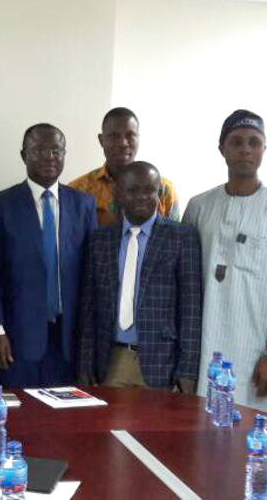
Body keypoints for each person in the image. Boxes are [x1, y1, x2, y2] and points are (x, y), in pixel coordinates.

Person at [182, 109, 267, 412]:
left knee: (245, 435)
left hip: (252, 352)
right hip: (200, 348)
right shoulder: (198, 207)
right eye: (236, 142)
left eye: (254, 142)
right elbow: (182, 280)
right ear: (222, 149)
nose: (245, 149)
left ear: (264, 149)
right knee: (194, 435)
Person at [0, 123, 97, 388]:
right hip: (17, 337)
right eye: (40, 150)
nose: (49, 157)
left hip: (70, 339)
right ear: (24, 155)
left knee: (65, 421)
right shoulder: (1, 204)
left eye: (56, 150)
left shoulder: (84, 204)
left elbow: (91, 275)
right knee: (23, 420)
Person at [78, 161, 202, 392]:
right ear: (119, 194)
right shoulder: (100, 240)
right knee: (108, 427)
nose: (142, 197)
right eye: (133, 190)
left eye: (149, 190)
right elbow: (89, 307)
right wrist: (85, 362)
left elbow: (191, 310)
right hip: (111, 361)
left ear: (159, 193)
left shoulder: (181, 237)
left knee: (155, 429)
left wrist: (187, 370)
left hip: (162, 362)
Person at [69, 107, 180, 227]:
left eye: (130, 135)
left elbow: (175, 237)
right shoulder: (78, 190)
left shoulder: (163, 189)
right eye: (114, 136)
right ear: (101, 140)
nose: (123, 143)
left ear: (138, 138)